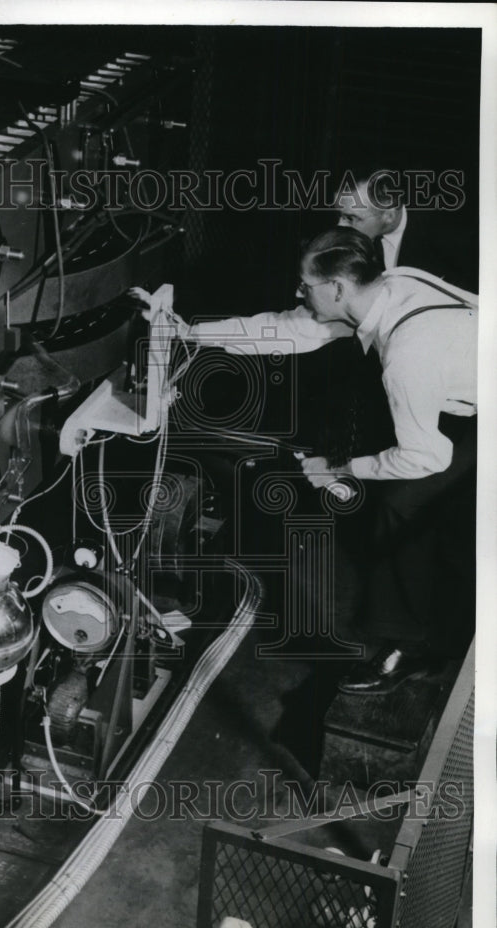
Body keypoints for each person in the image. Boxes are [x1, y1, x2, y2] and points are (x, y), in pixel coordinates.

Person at [132, 226, 478, 695]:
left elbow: (425, 457)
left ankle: (410, 648)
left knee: (403, 502)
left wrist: (338, 468)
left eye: (305, 284)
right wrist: (192, 333)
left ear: (336, 288)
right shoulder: (383, 288)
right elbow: (290, 329)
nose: (298, 291)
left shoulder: (408, 353)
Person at [335, 167, 478, 292]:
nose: (340, 225)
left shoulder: (450, 237)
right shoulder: (358, 238)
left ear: (389, 215)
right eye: (340, 215)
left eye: (351, 218)